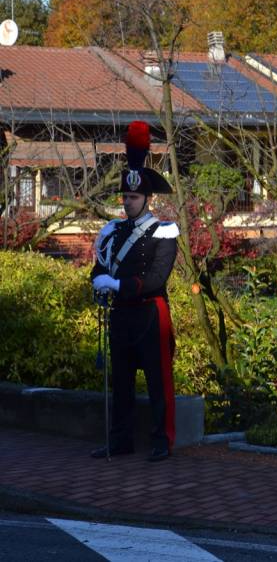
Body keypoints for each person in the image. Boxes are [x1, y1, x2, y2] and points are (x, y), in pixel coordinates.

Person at [90, 121, 179, 462]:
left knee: (158, 382)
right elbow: (101, 266)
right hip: (121, 316)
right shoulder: (111, 231)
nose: (128, 202)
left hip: (150, 314)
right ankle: (121, 439)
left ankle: (161, 441)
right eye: (125, 196)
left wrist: (118, 285)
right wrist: (99, 283)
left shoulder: (164, 231)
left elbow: (157, 277)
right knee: (121, 382)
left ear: (147, 198)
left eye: (134, 197)